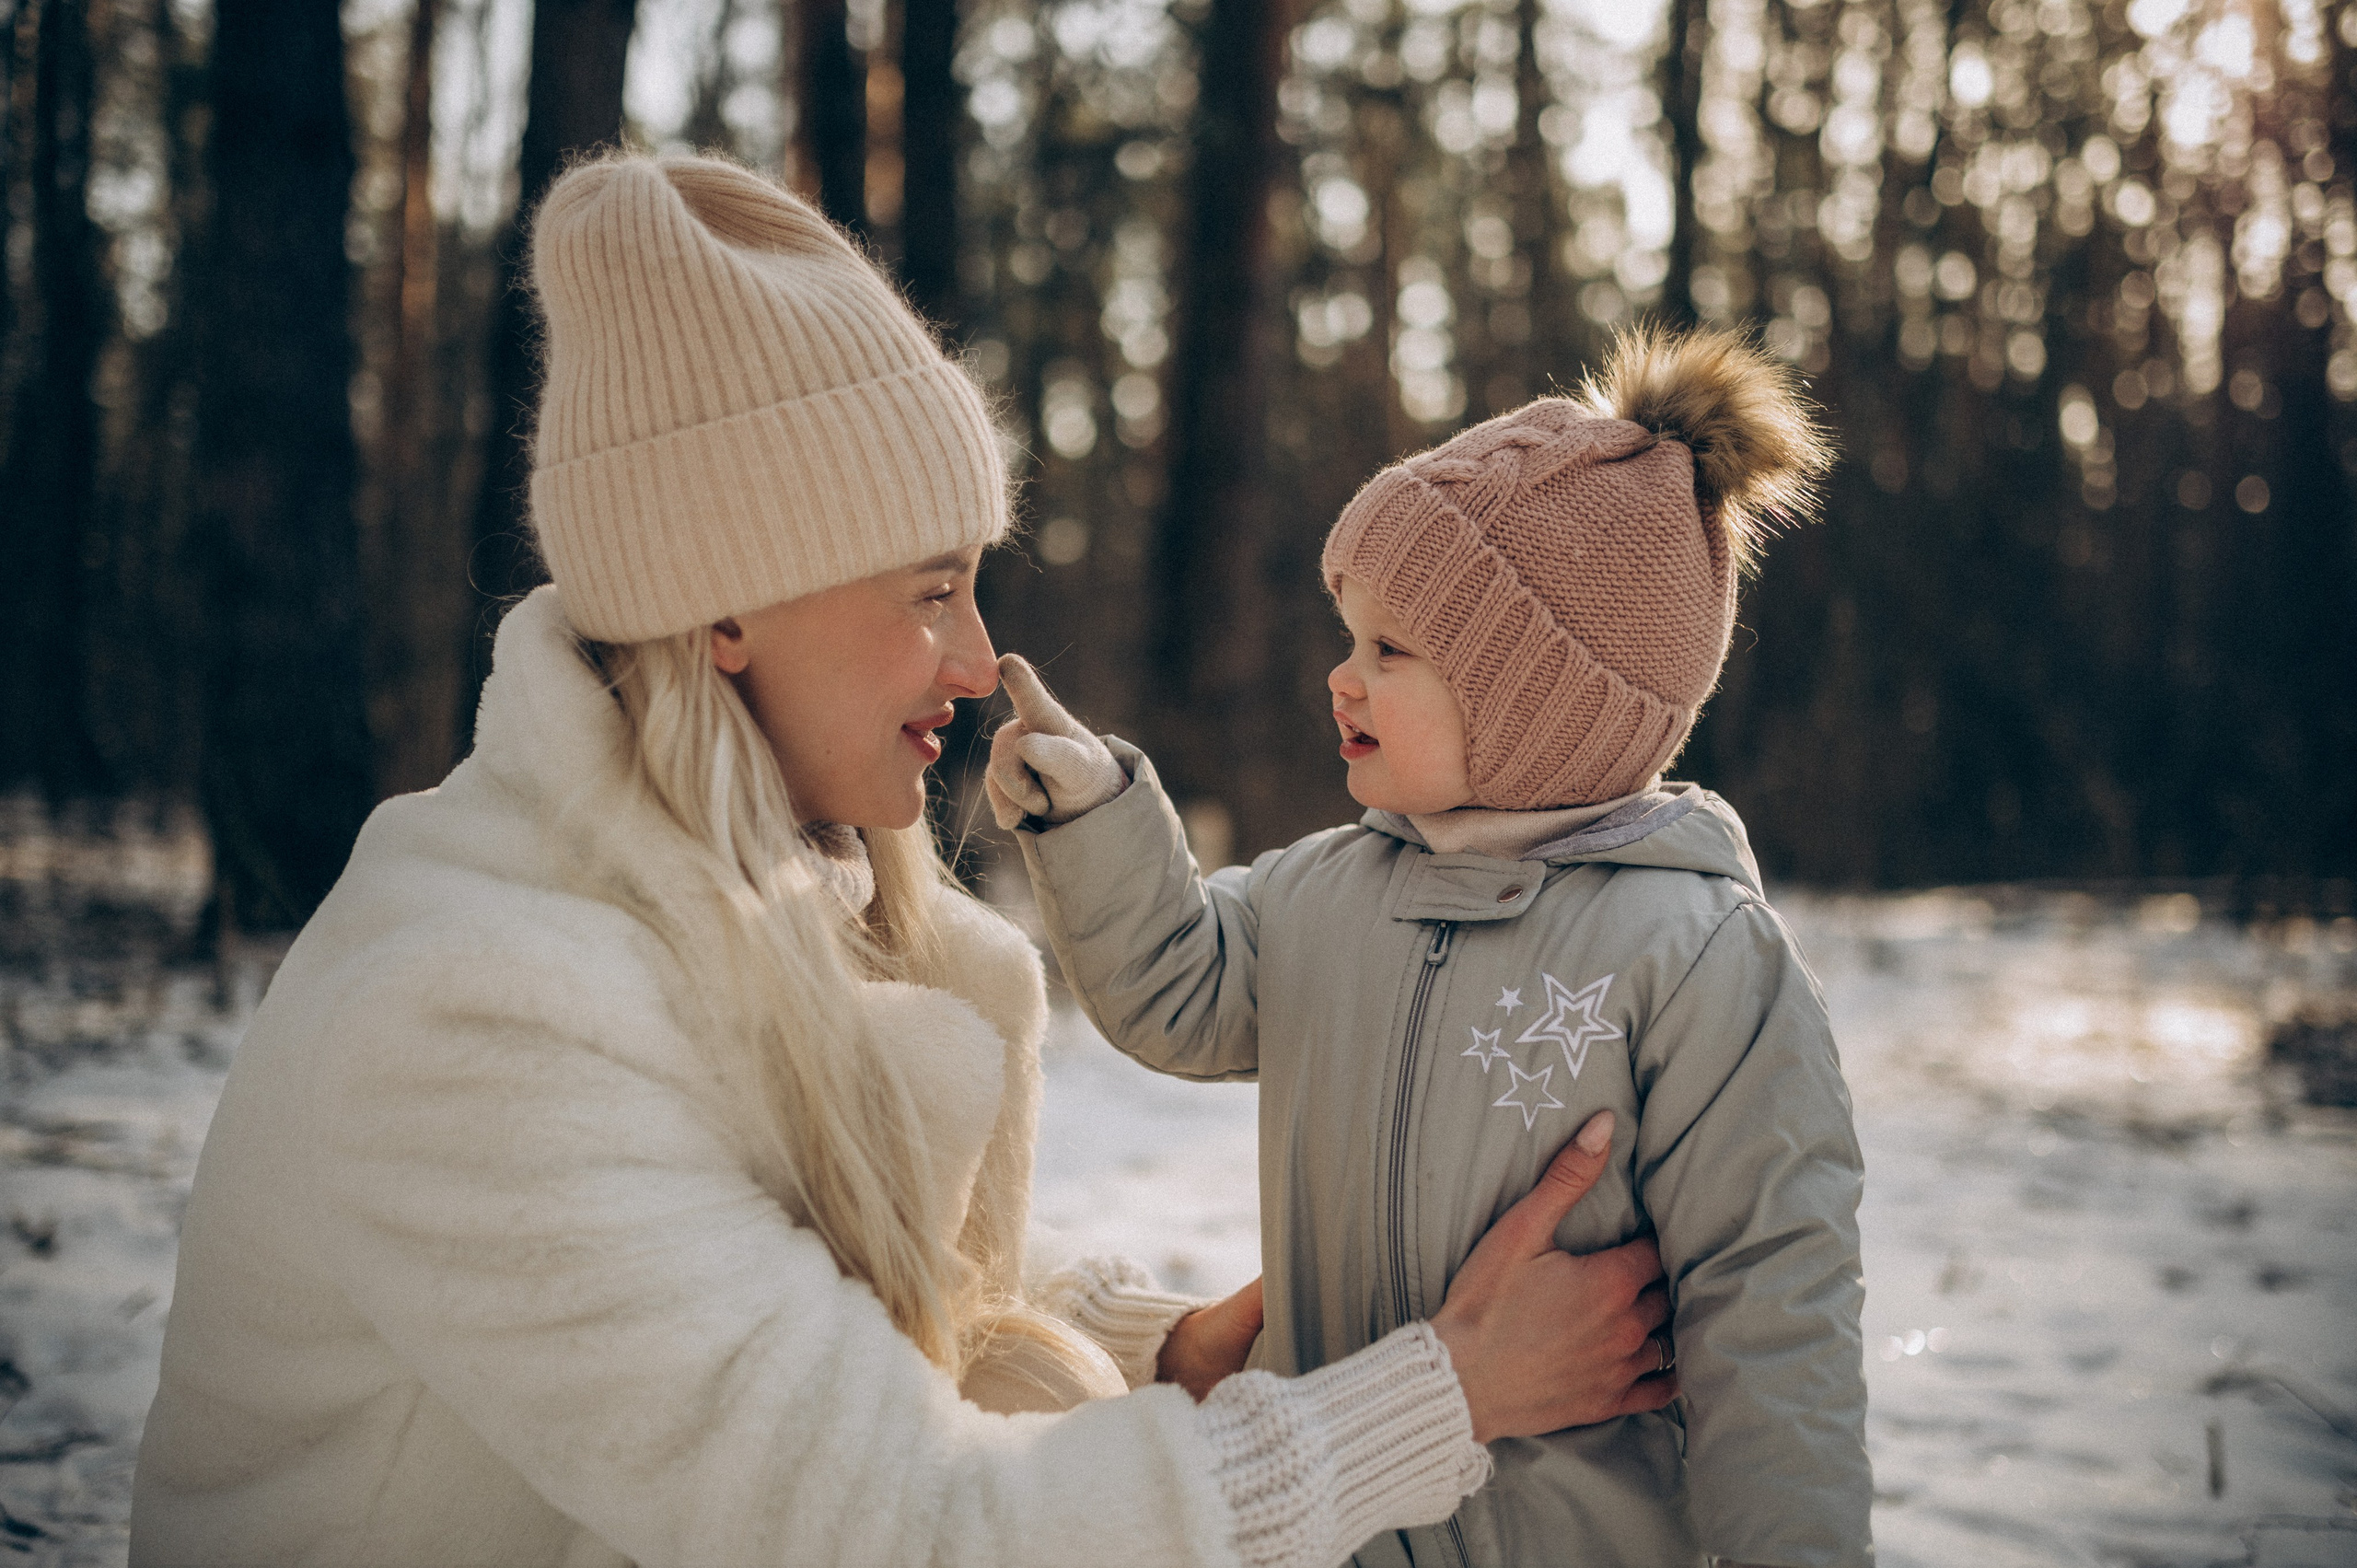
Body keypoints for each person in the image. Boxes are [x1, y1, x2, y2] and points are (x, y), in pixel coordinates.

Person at [127, 154, 1681, 1568]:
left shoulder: (726, 893)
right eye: (929, 592)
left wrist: (1172, 1351)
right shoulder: (477, 1014)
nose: (982, 660)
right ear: (726, 610)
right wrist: (1444, 1399)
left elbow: (799, 1267)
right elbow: (903, 1528)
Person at [989, 327, 1873, 1567]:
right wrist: (1097, 818)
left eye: (1390, 651)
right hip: (1338, 1516)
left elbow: (1773, 1314)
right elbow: (1176, 989)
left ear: (1538, 696)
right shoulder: (1324, 896)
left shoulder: (1692, 955)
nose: (1341, 681)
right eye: (1348, 637)